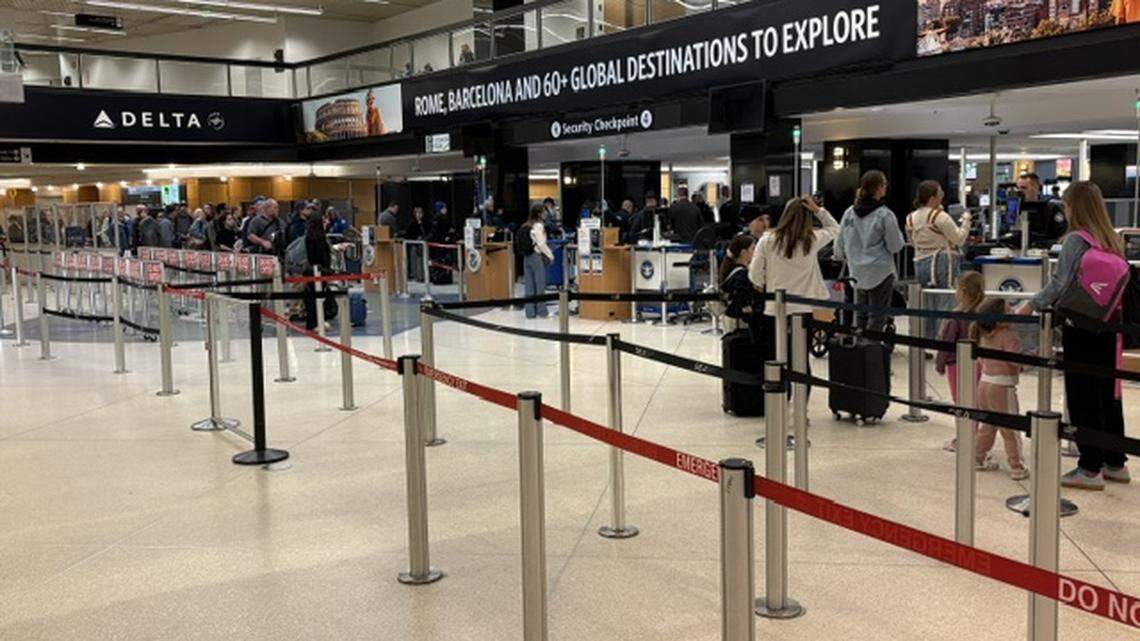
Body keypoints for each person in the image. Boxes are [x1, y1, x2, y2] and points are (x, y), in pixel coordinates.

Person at [1018, 181, 1130, 489]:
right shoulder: (1111, 239)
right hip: (1109, 327)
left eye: (1066, 205)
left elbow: (1059, 284)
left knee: (1082, 394)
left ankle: (1089, 467)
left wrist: (1030, 305)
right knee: (1108, 393)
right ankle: (1115, 462)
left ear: (1074, 208)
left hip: (1080, 326)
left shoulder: (1074, 241)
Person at [834, 170, 905, 332]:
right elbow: (895, 245)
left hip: (856, 273)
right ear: (878, 188)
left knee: (860, 315)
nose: (886, 188)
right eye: (884, 185)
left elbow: (839, 243)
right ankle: (871, 351)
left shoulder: (849, 213)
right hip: (880, 271)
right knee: (877, 316)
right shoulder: (884, 215)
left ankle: (859, 350)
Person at [971, 298, 1029, 480]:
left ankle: (977, 458)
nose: (1013, 312)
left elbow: (981, 361)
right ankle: (1017, 465)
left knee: (987, 425)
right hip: (1003, 387)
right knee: (1010, 428)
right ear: (999, 318)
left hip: (984, 383)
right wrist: (1028, 359)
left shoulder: (982, 335)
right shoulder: (1009, 336)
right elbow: (1015, 361)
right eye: (1009, 310)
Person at [907, 180, 972, 337]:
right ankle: (944, 339)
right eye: (940, 193)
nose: (942, 196)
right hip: (943, 262)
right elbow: (959, 239)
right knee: (947, 300)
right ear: (932, 197)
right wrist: (966, 222)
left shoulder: (911, 217)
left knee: (926, 302)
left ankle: (925, 338)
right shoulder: (940, 216)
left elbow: (912, 241)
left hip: (920, 262)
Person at [936, 271, 985, 452]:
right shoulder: (984, 314)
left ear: (962, 291)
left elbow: (947, 342)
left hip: (956, 365)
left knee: (961, 402)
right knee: (975, 402)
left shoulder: (956, 316)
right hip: (980, 365)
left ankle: (963, 438)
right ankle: (974, 436)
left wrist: (940, 363)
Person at [719, 234, 766, 339]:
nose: (755, 253)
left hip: (730, 320)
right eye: (753, 249)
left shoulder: (729, 270)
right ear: (744, 253)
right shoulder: (741, 275)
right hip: (740, 325)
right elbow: (743, 300)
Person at [519, 205, 553, 319]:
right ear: (539, 214)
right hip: (536, 256)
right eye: (544, 211)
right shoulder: (538, 225)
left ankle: (530, 312)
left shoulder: (526, 224)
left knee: (529, 284)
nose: (546, 213)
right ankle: (542, 312)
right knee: (540, 284)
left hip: (526, 256)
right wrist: (550, 255)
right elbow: (541, 244)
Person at [303, 213, 332, 331]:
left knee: (311, 297)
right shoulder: (320, 237)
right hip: (319, 270)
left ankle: (314, 321)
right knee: (318, 297)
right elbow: (323, 256)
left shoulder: (308, 236)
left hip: (311, 270)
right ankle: (317, 322)